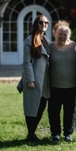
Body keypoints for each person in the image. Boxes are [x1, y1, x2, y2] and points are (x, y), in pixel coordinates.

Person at [21, 14, 51, 142]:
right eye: (41, 22)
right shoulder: (30, 40)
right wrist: (30, 80)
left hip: (45, 79)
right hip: (34, 78)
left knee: (42, 104)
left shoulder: (46, 40)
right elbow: (26, 62)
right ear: (36, 24)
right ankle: (31, 133)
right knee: (32, 106)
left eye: (46, 23)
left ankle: (32, 133)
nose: (43, 25)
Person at [48, 20, 76, 143]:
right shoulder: (50, 47)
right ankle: (55, 133)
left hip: (71, 86)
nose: (62, 36)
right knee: (54, 111)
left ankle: (68, 133)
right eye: (60, 33)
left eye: (65, 34)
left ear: (69, 35)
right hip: (54, 85)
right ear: (55, 33)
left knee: (69, 111)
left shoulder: (75, 46)